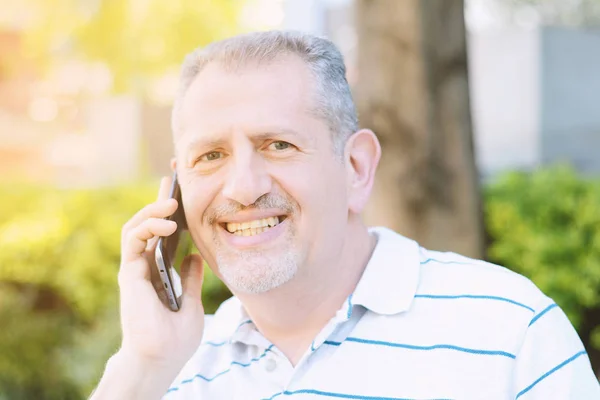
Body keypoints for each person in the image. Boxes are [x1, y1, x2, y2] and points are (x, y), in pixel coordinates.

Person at [90, 31, 600, 400]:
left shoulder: (510, 335)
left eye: (278, 145)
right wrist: (142, 366)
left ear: (356, 167)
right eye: (211, 156)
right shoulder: (172, 372)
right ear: (178, 189)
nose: (243, 187)